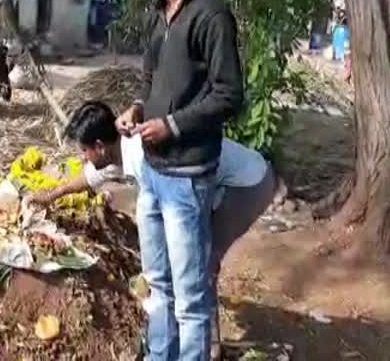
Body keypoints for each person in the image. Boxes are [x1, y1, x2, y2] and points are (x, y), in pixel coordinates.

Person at [29, 102, 275, 360]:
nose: (83, 157)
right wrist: (50, 196)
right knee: (188, 265)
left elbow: (163, 215)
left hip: (248, 183)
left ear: (100, 147)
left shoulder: (140, 155)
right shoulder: (116, 150)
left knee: (202, 264)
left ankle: (207, 347)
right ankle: (188, 339)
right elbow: (88, 179)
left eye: (84, 150)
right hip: (217, 181)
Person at [116, 0, 244, 360]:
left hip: (187, 178)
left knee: (190, 297)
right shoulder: (160, 11)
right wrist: (138, 107)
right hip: (153, 174)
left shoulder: (210, 15)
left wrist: (172, 125)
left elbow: (229, 94)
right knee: (159, 283)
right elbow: (151, 76)